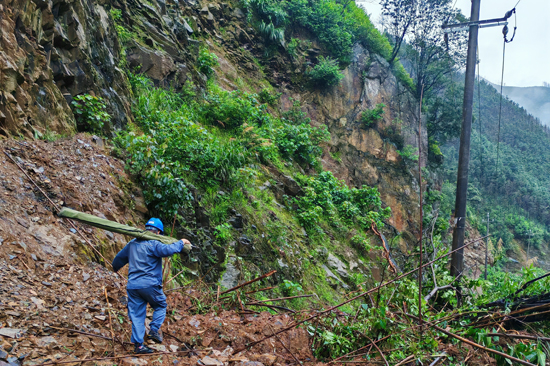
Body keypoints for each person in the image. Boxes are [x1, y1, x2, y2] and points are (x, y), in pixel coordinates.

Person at [112, 217, 192, 354]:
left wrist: (115, 268)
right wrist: (181, 242)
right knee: (160, 305)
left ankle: (138, 346)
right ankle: (154, 330)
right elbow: (168, 250)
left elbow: (118, 259)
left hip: (133, 286)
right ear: (159, 233)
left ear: (146, 229)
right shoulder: (154, 243)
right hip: (149, 284)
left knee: (137, 315)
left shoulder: (132, 243)